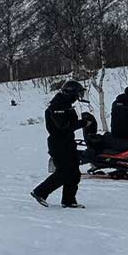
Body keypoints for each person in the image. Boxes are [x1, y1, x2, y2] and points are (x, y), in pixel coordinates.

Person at [31, 80, 91, 209]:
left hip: (67, 142)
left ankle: (69, 200)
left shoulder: (66, 105)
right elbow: (63, 126)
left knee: (74, 173)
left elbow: (70, 123)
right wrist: (82, 123)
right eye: (77, 94)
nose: (78, 98)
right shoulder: (57, 107)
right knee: (64, 172)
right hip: (59, 144)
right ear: (70, 93)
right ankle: (40, 192)